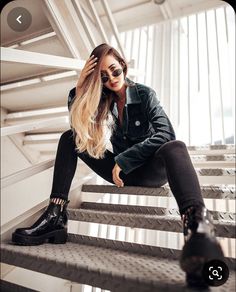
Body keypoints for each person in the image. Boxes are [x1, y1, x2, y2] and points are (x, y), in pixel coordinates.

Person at [12, 43, 224, 287]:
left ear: (123, 66)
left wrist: (124, 159)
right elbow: (78, 123)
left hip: (148, 170)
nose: (111, 79)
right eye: (103, 77)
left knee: (175, 147)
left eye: (114, 71)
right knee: (70, 138)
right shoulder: (103, 99)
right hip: (120, 172)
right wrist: (81, 87)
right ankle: (55, 216)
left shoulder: (144, 94)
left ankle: (197, 230)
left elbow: (166, 134)